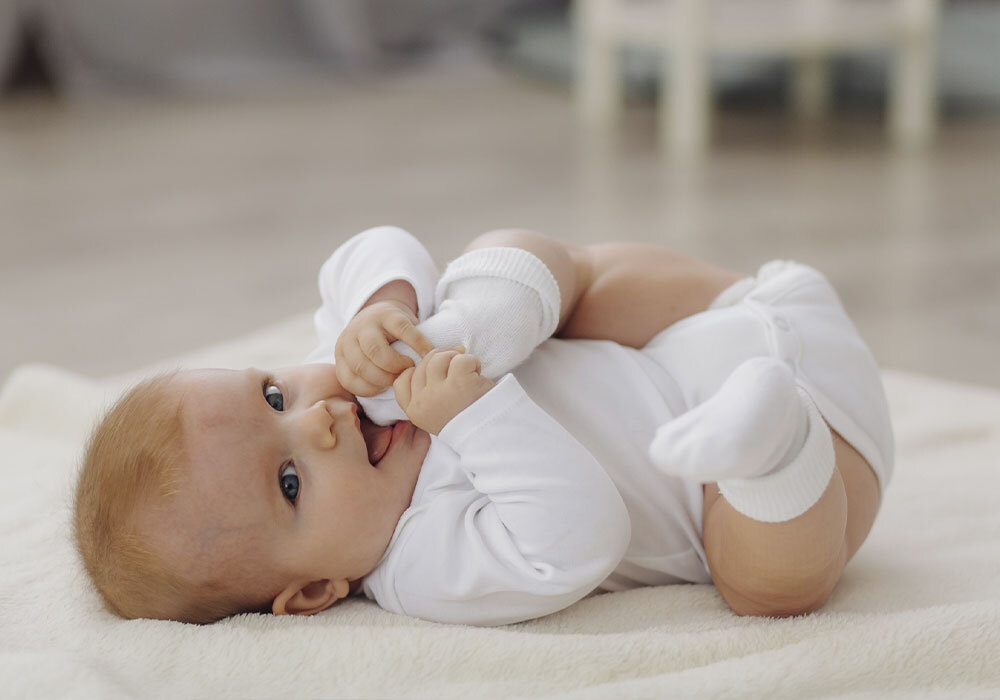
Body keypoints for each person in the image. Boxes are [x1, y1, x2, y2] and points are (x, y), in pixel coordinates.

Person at [73, 226, 891, 626]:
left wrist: (386, 305)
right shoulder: (421, 565)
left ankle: (504, 306)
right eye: (289, 484)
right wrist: (475, 416)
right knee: (764, 585)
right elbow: (580, 538)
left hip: (713, 321)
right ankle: (769, 438)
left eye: (271, 397)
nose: (320, 419)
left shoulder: (352, 362)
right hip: (807, 467)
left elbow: (376, 244)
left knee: (558, 274)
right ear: (318, 589)